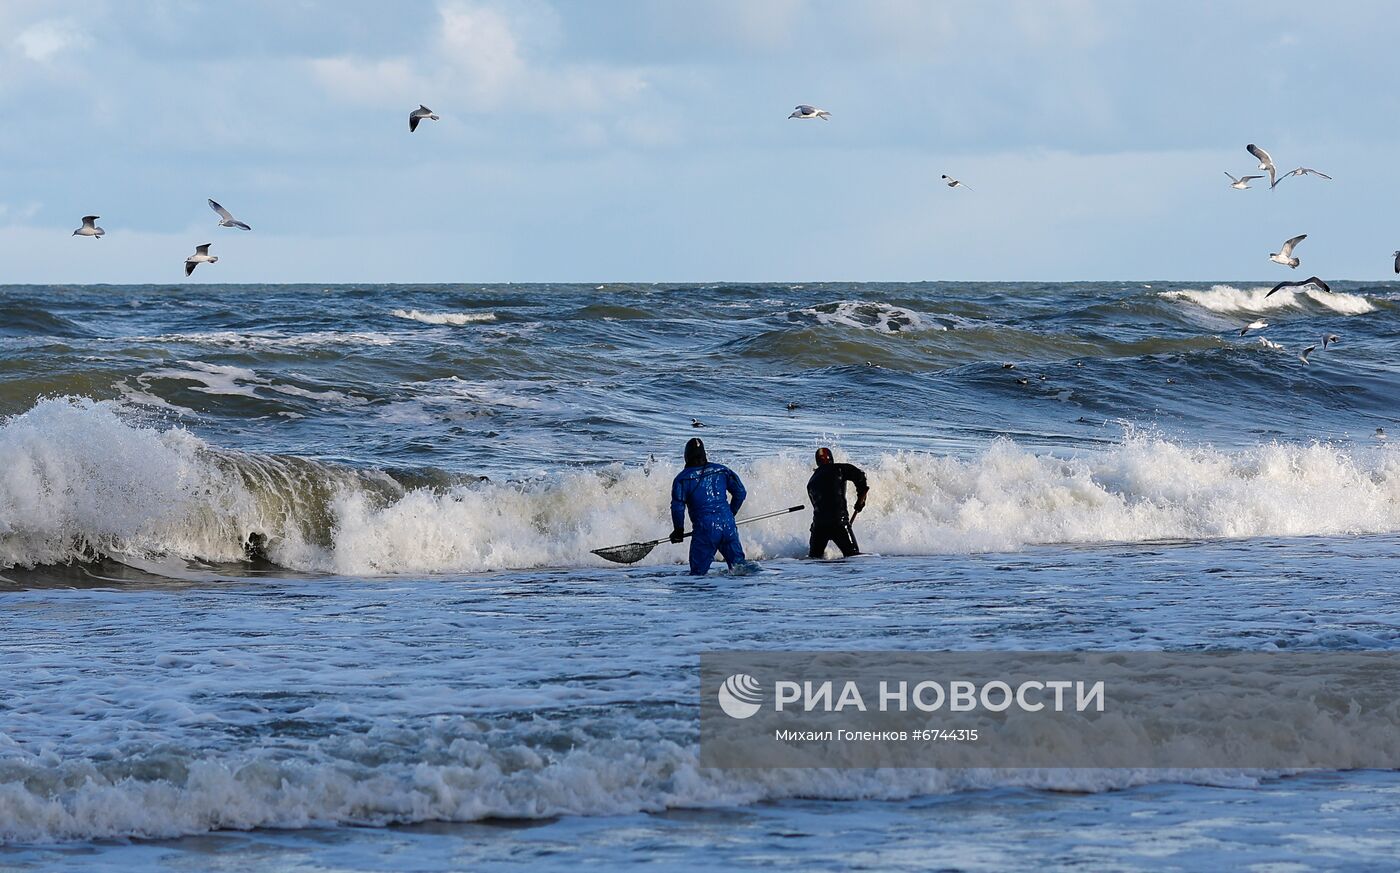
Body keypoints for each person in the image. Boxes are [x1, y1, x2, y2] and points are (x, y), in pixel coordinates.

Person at [670, 437, 747, 575]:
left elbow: (678, 507)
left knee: (698, 575)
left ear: (686, 456)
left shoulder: (682, 479)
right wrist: (730, 514)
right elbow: (740, 492)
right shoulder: (722, 471)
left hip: (705, 530)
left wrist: (678, 531)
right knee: (740, 569)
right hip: (728, 525)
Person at [807, 447, 869, 558]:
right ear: (831, 459)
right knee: (853, 556)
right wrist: (861, 498)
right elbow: (860, 476)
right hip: (839, 523)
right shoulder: (839, 468)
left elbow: (816, 507)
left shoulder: (811, 482)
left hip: (819, 526)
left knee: (814, 558)